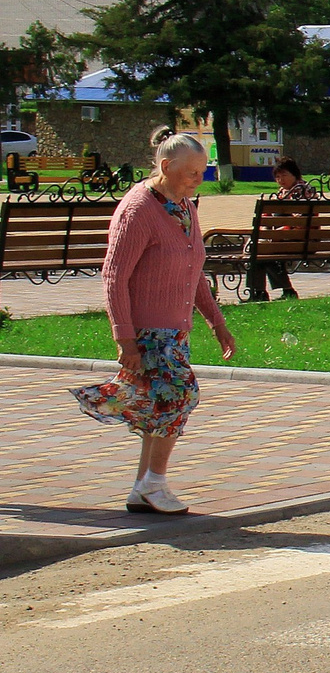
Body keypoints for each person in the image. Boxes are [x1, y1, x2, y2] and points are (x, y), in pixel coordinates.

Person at [73, 128, 237, 516]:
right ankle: (154, 483)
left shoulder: (184, 207)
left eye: (203, 171)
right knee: (180, 395)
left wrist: (217, 323)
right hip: (148, 331)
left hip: (175, 330)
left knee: (159, 407)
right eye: (192, 172)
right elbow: (114, 276)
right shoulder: (138, 210)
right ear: (165, 166)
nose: (199, 180)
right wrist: (125, 339)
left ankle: (142, 489)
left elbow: (194, 270)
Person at [246, 157, 320, 302]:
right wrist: (268, 231)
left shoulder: (301, 192)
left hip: (302, 240)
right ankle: (281, 291)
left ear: (295, 174)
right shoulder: (284, 192)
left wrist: (276, 233)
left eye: (284, 175)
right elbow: (268, 216)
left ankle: (260, 292)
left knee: (259, 249)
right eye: (277, 177)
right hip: (290, 239)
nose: (281, 180)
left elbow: (300, 223)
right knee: (261, 249)